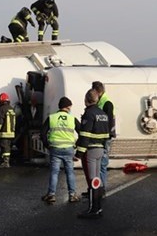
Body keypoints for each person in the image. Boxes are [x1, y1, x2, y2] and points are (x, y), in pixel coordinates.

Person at [40, 96, 83, 205]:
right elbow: (82, 133)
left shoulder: (52, 118)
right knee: (70, 172)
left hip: (55, 149)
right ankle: (72, 195)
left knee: (54, 172)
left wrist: (47, 145)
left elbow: (42, 133)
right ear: (68, 107)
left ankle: (51, 195)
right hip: (68, 149)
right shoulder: (72, 119)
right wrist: (76, 146)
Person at [77, 89, 109, 219]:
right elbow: (107, 134)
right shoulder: (103, 114)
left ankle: (93, 209)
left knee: (92, 180)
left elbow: (85, 135)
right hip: (101, 149)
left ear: (86, 100)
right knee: (97, 179)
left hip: (91, 150)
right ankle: (98, 207)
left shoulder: (89, 114)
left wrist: (79, 153)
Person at [92, 81, 116, 191]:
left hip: (105, 137)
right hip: (102, 136)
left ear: (97, 91)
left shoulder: (106, 103)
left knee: (102, 164)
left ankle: (101, 189)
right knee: (98, 164)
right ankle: (97, 188)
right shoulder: (101, 102)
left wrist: (106, 135)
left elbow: (109, 121)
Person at [0, 92, 16, 168]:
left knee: (4, 147)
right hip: (11, 133)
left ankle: (5, 162)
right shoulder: (11, 108)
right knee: (8, 147)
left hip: (4, 132)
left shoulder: (1, 108)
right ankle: (5, 160)